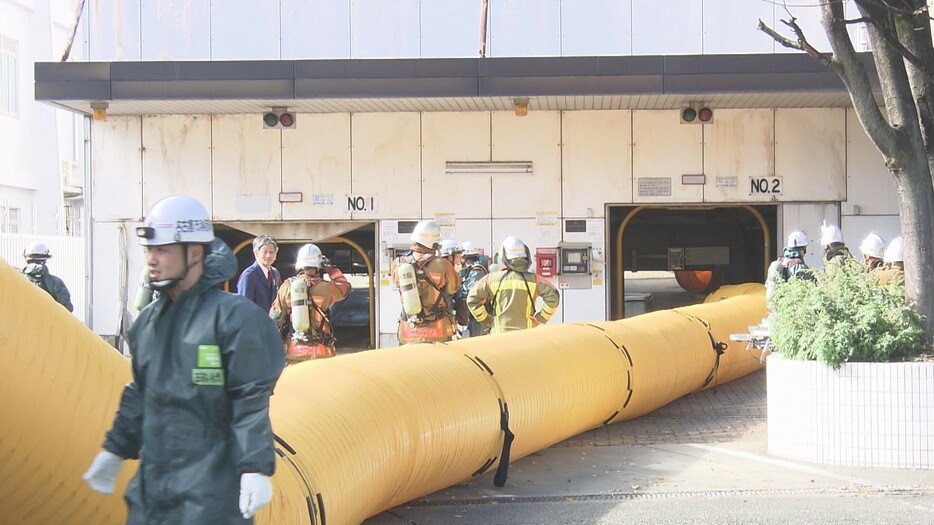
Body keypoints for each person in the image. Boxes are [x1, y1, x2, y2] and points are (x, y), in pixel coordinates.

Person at [82, 195, 285, 523]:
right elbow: (140, 392)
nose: (151, 259)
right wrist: (115, 449)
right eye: (149, 250)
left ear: (194, 253)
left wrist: (254, 468)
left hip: (212, 491)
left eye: (162, 250)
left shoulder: (232, 319)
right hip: (153, 491)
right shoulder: (149, 323)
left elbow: (249, 401)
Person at [269, 243, 351, 363]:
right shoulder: (326, 287)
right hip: (321, 352)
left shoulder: (286, 286)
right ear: (318, 266)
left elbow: (275, 318)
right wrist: (330, 268)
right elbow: (345, 288)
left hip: (294, 351)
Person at [466, 235, 560, 335]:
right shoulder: (535, 279)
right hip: (527, 335)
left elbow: (472, 300)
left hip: (499, 336)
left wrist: (487, 320)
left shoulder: (491, 279)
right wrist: (540, 318)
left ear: (503, 257)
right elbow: (554, 298)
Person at [390, 219, 461, 344]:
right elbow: (453, 288)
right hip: (437, 330)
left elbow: (396, 285)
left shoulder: (398, 263)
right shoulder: (443, 264)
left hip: (408, 330)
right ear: (433, 242)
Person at [21, 242, 73, 312]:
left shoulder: (17, 280)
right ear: (45, 260)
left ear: (26, 259)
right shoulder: (56, 283)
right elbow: (67, 309)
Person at [454, 241, 491, 337]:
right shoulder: (472, 271)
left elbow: (468, 294)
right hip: (474, 317)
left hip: (478, 320)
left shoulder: (476, 272)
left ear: (464, 257)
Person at [237, 234, 281, 311]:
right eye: (264, 252)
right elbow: (244, 308)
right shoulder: (249, 275)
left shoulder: (275, 273)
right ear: (256, 253)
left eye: (271, 252)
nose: (268, 256)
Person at [764, 230, 812, 301]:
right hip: (792, 308)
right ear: (803, 249)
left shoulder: (779, 262)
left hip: (776, 307)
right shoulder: (801, 267)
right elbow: (807, 293)